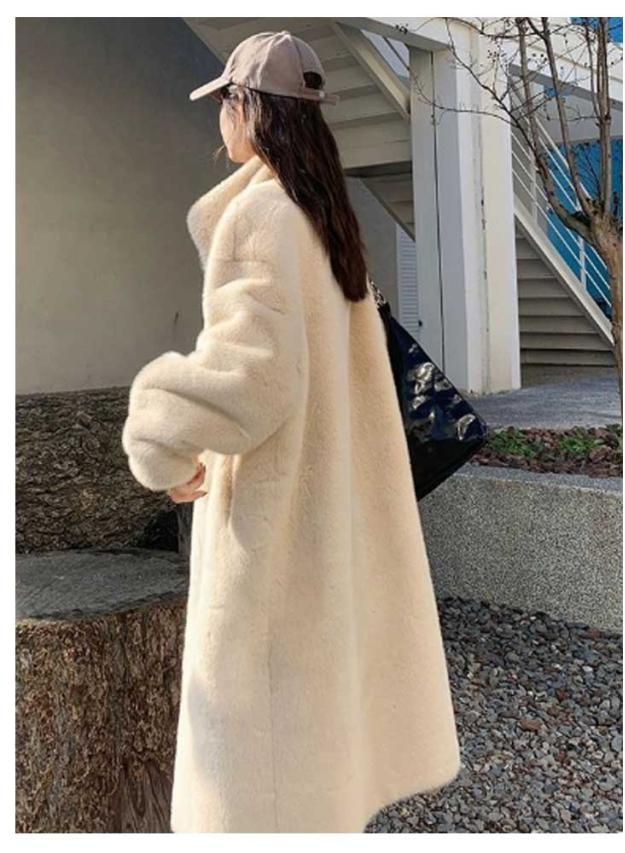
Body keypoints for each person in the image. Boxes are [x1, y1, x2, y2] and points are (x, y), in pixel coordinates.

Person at [121, 29, 461, 834]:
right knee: (313, 763)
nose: (220, 120)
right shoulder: (323, 216)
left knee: (258, 783)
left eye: (225, 103)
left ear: (250, 109)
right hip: (324, 519)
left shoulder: (262, 218)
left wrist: (158, 436)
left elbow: (254, 378)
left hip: (274, 540)